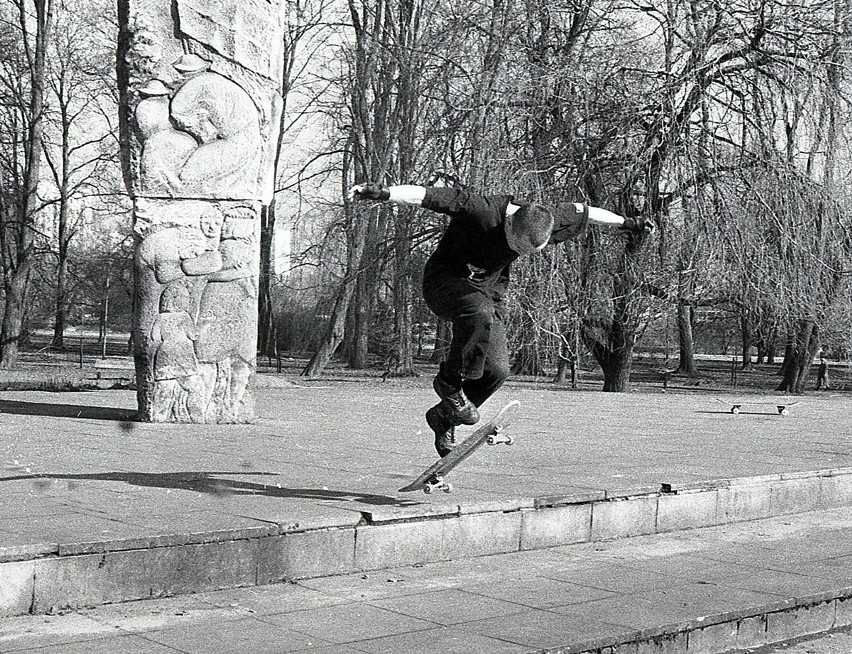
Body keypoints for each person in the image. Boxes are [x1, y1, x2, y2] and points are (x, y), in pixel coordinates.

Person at [349, 183, 653, 456]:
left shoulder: (546, 216)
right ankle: (449, 383)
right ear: (509, 224)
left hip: (485, 297)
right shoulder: (481, 210)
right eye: (516, 246)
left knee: (497, 370)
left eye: (526, 251)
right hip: (444, 284)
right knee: (478, 312)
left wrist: (630, 223)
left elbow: (588, 213)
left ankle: (444, 417)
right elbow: (429, 196)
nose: (516, 253)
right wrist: (383, 192)